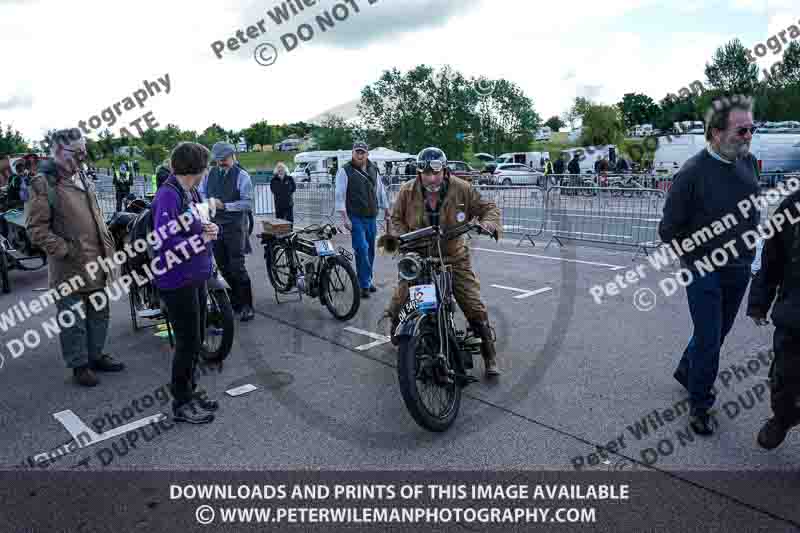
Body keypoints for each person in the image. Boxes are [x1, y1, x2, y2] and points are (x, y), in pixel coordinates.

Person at [658, 95, 760, 436]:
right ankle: (700, 404)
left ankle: (687, 369)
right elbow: (668, 228)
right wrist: (695, 260)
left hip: (740, 266)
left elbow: (752, 213)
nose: (748, 136)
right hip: (704, 268)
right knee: (708, 337)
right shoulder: (691, 173)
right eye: (741, 130)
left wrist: (752, 252)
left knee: (718, 333)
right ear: (715, 133)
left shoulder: (749, 164)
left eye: (751, 129)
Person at [380, 147, 503, 377]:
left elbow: (488, 208)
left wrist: (488, 224)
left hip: (454, 257)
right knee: (400, 299)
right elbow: (395, 218)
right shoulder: (407, 191)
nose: (431, 178)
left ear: (444, 170)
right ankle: (397, 328)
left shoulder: (462, 188)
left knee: (473, 304)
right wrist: (401, 237)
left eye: (436, 173)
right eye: (426, 173)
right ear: (419, 173)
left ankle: (489, 352)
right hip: (419, 255)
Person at [27, 128, 121, 387]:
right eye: (77, 152)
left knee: (100, 314)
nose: (82, 157)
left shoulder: (82, 175)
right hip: (70, 267)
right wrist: (66, 250)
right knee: (73, 320)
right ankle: (79, 366)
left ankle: (96, 355)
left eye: (84, 151)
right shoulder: (43, 184)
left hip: (98, 261)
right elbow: (36, 230)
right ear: (57, 151)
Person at [152, 142, 220, 424]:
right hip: (177, 278)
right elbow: (164, 241)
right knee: (187, 342)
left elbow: (193, 225)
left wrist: (209, 229)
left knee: (197, 338)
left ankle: (190, 391)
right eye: (205, 166)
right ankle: (181, 403)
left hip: (195, 275)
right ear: (196, 168)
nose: (206, 171)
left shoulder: (189, 191)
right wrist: (199, 240)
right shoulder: (168, 194)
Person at [747, 185, 800, 449]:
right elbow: (772, 257)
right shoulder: (793, 205)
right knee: (784, 378)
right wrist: (759, 303)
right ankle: (783, 417)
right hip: (794, 317)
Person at [200, 142, 255, 322]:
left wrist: (225, 205)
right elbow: (201, 194)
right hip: (215, 227)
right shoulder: (210, 175)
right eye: (217, 160)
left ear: (232, 156)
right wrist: (206, 203)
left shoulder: (242, 176)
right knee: (223, 266)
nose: (220, 163)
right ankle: (235, 301)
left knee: (237, 266)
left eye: (224, 160)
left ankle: (247, 305)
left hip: (235, 227)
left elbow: (248, 203)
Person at [335, 142, 390, 299]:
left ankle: (367, 279)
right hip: (355, 216)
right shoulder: (344, 170)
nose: (360, 155)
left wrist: (386, 209)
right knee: (362, 249)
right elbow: (340, 194)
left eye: (363, 152)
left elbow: (380, 191)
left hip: (371, 216)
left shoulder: (373, 169)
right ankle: (363, 284)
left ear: (367, 154)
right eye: (357, 152)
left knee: (370, 250)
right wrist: (344, 217)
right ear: (353, 153)